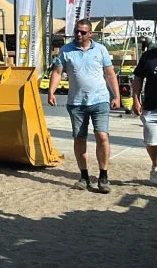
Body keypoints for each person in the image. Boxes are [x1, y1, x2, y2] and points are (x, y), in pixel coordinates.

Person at [48, 19, 120, 193]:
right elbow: (57, 72)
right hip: (76, 102)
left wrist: (117, 96)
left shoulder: (100, 49)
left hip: (100, 100)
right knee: (80, 139)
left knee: (102, 136)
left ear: (90, 34)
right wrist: (51, 91)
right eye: (77, 31)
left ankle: (103, 176)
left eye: (82, 32)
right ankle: (84, 176)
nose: (79, 34)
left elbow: (110, 74)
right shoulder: (66, 50)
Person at [132, 43, 157, 185]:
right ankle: (155, 165)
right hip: (151, 108)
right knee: (151, 142)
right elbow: (138, 78)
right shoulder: (148, 56)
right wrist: (135, 99)